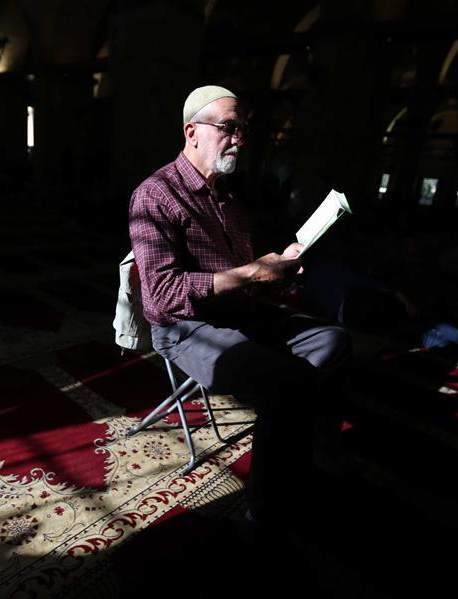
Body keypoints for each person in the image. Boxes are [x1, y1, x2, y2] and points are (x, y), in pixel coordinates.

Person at [128, 85, 353, 523]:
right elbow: (160, 295)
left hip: (238, 313)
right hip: (185, 327)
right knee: (289, 383)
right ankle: (266, 509)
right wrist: (252, 272)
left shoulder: (228, 201)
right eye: (229, 127)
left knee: (334, 340)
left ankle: (315, 446)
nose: (240, 139)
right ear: (192, 131)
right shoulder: (155, 195)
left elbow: (242, 284)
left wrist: (277, 271)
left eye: (242, 129)